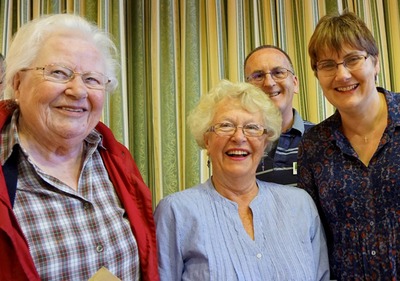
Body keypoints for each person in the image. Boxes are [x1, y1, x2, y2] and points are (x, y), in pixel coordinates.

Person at [0, 14, 159, 281]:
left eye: (93, 79)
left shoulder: (116, 160)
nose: (78, 91)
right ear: (17, 84)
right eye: (59, 73)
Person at [154, 79, 329, 280]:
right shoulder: (176, 212)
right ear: (207, 140)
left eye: (252, 127)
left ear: (265, 142)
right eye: (226, 125)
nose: (239, 137)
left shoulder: (300, 205)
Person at [298, 12, 400, 280]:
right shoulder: (313, 145)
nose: (342, 75)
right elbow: (315, 234)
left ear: (375, 62)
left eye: (353, 59)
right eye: (328, 65)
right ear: (317, 74)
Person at [244, 45, 314, 186]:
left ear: (295, 83)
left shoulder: (321, 139)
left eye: (278, 73)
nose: (269, 83)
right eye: (258, 76)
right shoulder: (239, 143)